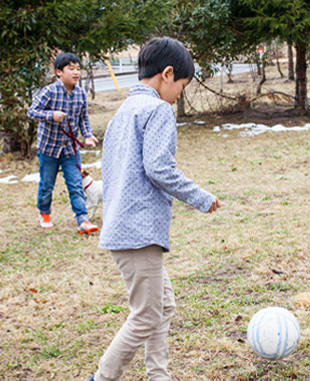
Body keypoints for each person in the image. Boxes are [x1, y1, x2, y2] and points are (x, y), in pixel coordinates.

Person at [89, 37, 221, 381]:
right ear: (167, 74)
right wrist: (201, 198)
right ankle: (101, 378)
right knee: (146, 314)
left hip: (121, 226)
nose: (179, 94)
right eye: (182, 85)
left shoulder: (124, 111)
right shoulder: (158, 109)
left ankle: (158, 375)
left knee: (164, 306)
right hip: (138, 231)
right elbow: (159, 168)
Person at [27, 52, 99, 233]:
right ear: (59, 72)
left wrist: (88, 135)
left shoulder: (81, 94)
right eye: (71, 69)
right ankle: (44, 212)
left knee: (75, 184)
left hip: (70, 149)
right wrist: (51, 115)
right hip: (49, 148)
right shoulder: (50, 91)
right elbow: (32, 111)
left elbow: (83, 119)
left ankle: (82, 220)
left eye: (78, 69)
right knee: (47, 184)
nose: (76, 73)